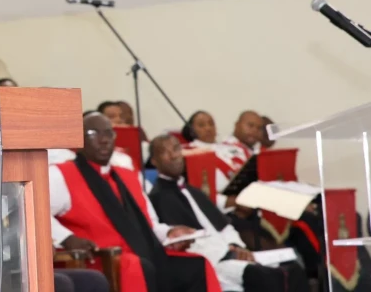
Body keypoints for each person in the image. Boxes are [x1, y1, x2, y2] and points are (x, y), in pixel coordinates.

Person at [50, 112, 220, 292]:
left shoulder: (129, 176)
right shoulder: (61, 175)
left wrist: (170, 233)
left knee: (197, 267)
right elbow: (36, 214)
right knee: (138, 267)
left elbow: (149, 225)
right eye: (93, 134)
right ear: (79, 139)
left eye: (108, 133)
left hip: (142, 253)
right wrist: (66, 238)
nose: (104, 140)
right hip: (102, 259)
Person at [149, 135, 307, 291]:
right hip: (213, 262)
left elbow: (224, 227)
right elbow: (184, 243)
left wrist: (236, 246)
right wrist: (228, 252)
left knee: (293, 268)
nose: (174, 155)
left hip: (232, 253)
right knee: (269, 277)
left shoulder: (194, 191)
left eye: (176, 149)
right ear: (154, 161)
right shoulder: (158, 198)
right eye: (165, 152)